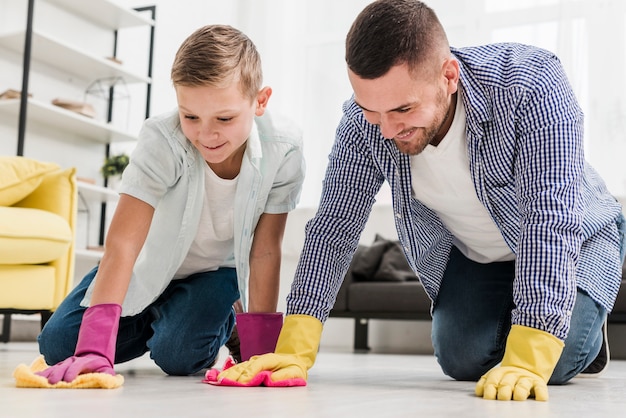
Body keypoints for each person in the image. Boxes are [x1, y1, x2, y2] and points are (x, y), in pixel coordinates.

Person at [216, 0, 626, 401]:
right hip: (479, 255)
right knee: (461, 359)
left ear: (449, 75)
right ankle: (531, 316)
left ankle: (583, 323)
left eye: (403, 109)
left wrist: (532, 346)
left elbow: (549, 216)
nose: (387, 130)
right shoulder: (368, 124)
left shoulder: (532, 85)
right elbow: (334, 228)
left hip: (576, 239)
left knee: (553, 357)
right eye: (371, 110)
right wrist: (294, 348)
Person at [35, 24, 305, 383]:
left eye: (224, 118)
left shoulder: (283, 149)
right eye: (190, 116)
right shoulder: (162, 139)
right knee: (58, 345)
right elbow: (124, 242)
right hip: (149, 268)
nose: (206, 135)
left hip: (217, 274)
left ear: (259, 100)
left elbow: (266, 250)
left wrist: (259, 353)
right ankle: (171, 319)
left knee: (178, 355)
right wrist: (94, 350)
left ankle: (226, 323)